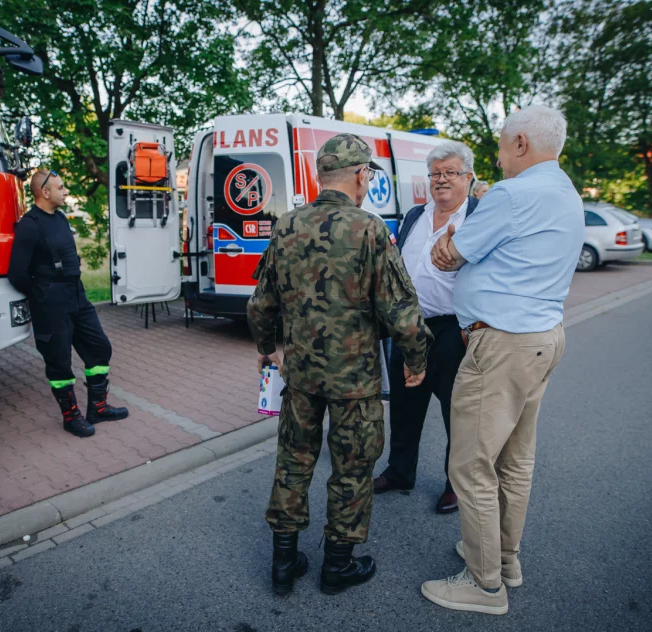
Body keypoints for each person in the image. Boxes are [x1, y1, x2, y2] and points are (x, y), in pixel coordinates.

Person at [248, 133, 432, 596]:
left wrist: (267, 347)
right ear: (360, 175)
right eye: (367, 174)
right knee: (352, 468)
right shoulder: (369, 229)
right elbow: (400, 310)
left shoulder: (286, 225)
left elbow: (260, 303)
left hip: (301, 376)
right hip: (355, 381)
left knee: (293, 462)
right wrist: (416, 359)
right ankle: (338, 565)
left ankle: (283, 563)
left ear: (319, 175)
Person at [421, 106, 583, 615]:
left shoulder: (511, 195)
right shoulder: (566, 191)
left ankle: (484, 584)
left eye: (499, 145)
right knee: (515, 460)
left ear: (520, 144)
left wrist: (454, 241)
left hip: (501, 345)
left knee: (470, 465)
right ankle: (504, 559)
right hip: (542, 337)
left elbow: (448, 255)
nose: (497, 156)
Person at [373, 141, 480, 515]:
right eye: (435, 173)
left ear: (469, 177)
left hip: (455, 331)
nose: (441, 180)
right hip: (408, 328)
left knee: (457, 413)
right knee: (404, 407)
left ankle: (456, 485)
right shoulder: (415, 215)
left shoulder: (479, 217)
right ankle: (400, 472)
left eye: (450, 172)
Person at [8, 169, 128, 438]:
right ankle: (71, 417)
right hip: (50, 303)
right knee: (59, 361)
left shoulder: (60, 218)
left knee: (99, 347)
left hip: (77, 295)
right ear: (45, 192)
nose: (65, 191)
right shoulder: (30, 225)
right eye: (60, 187)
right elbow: (17, 273)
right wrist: (42, 294)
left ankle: (98, 408)